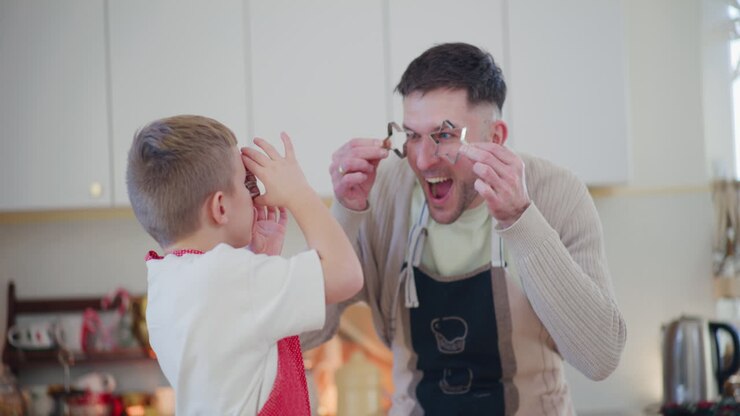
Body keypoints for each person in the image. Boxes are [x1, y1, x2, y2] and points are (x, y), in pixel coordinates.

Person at [301, 43, 627, 415]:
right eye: (411, 135)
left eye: (444, 135)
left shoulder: (557, 193)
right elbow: (302, 335)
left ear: (496, 137)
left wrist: (521, 221)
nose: (422, 160)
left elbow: (600, 358)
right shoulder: (383, 194)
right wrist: (345, 213)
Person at [126, 115, 363, 415]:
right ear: (220, 207)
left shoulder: (166, 282)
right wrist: (298, 192)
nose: (255, 194)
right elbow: (346, 274)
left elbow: (238, 358)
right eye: (246, 183)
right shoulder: (230, 278)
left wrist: (259, 260)